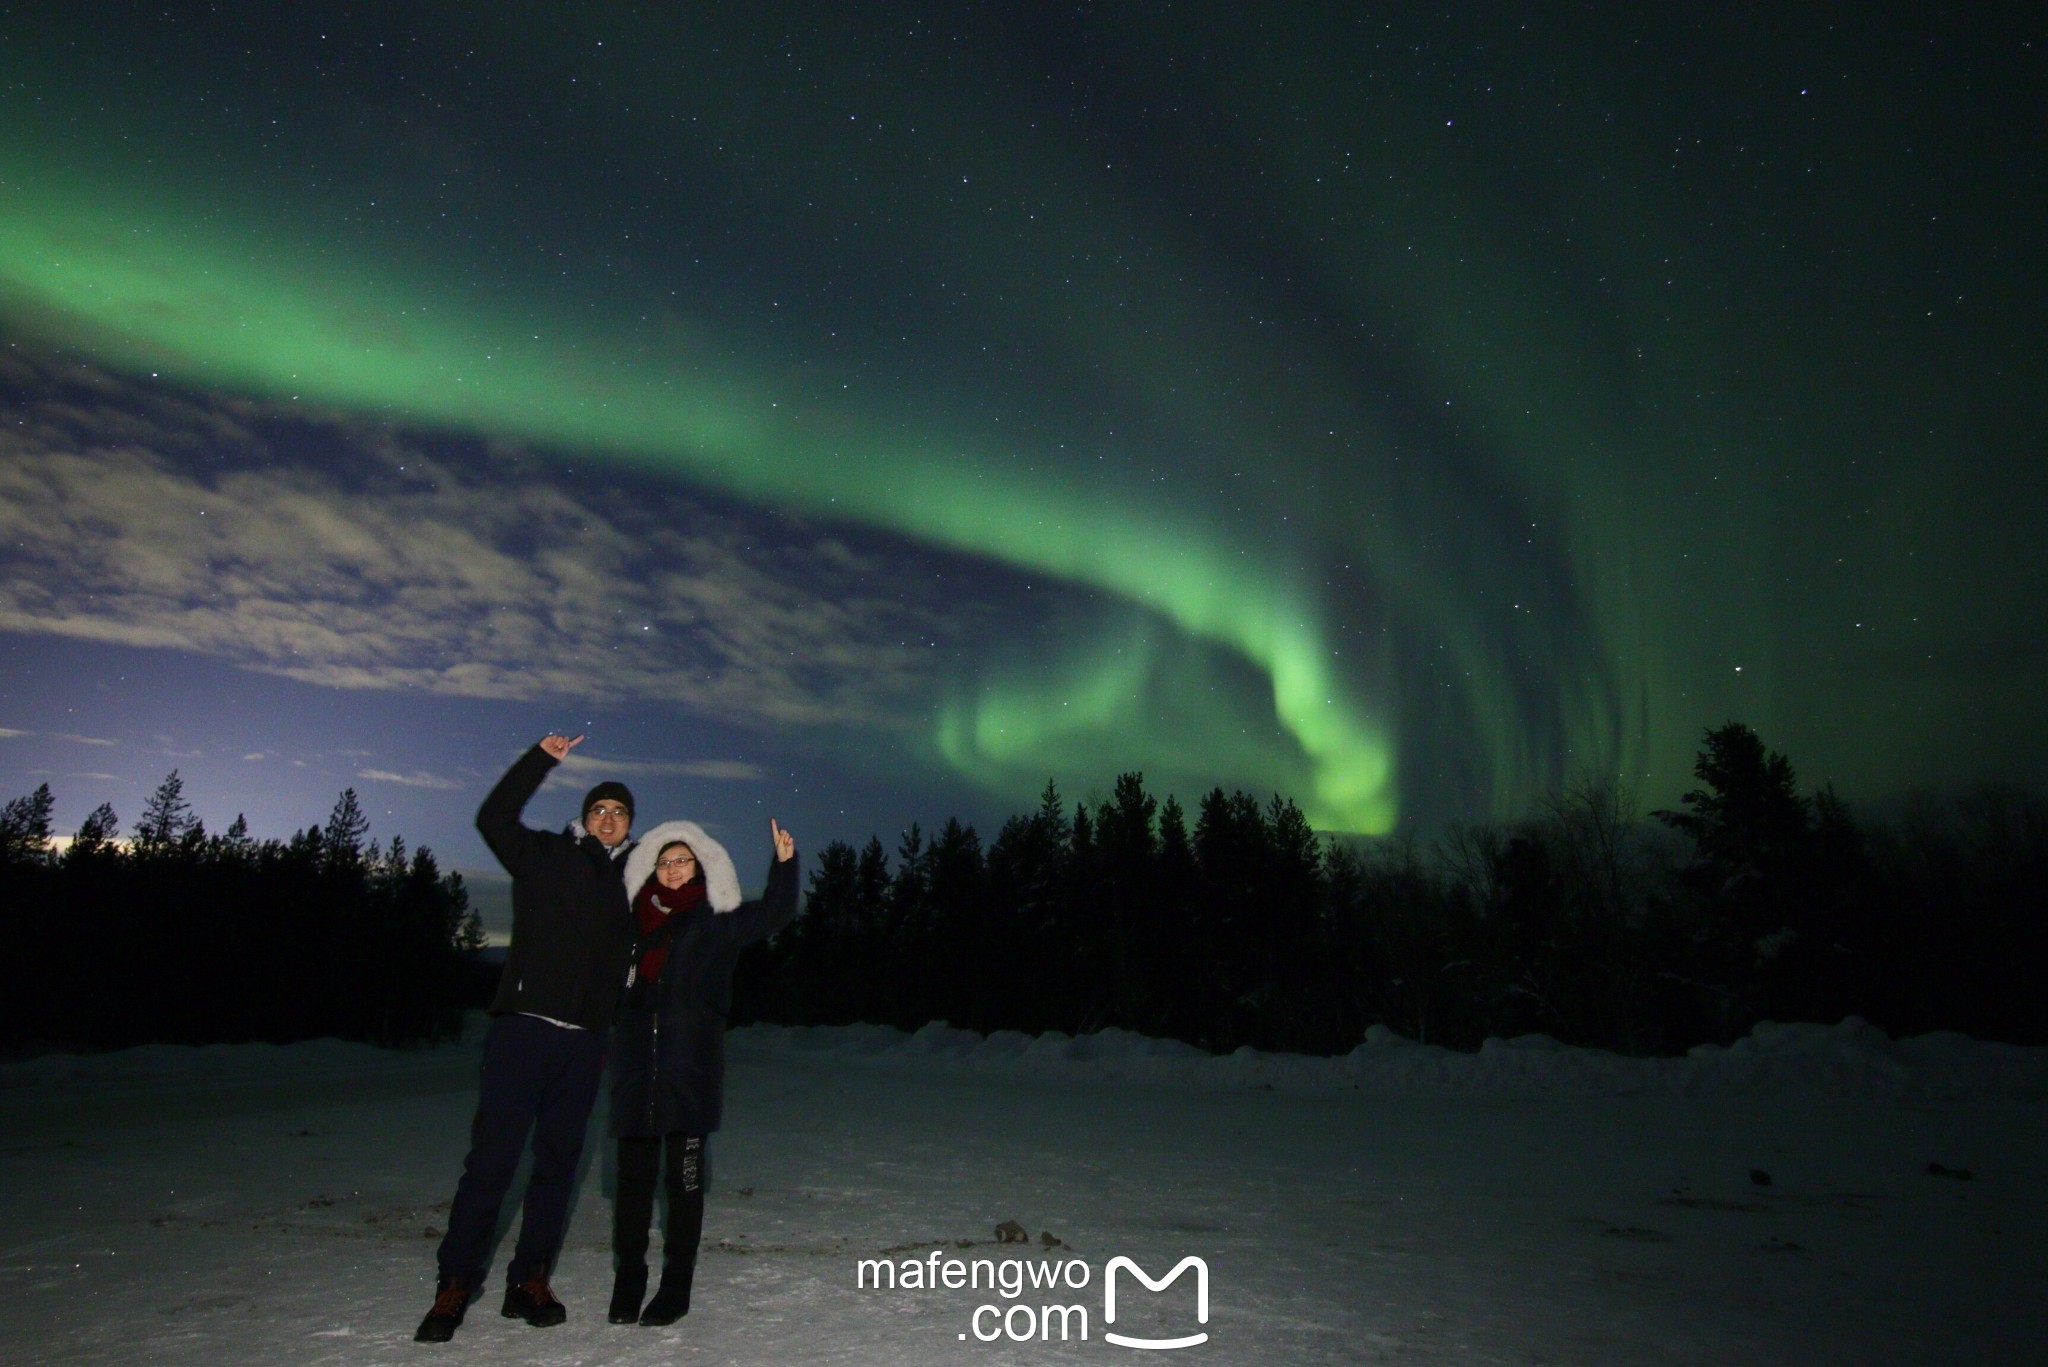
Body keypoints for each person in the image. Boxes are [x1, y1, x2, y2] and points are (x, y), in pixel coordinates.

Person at [415, 734, 638, 1343]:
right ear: (584, 818)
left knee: (559, 1166)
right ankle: (454, 1286)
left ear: (629, 825)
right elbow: (492, 817)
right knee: (492, 1162)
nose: (610, 819)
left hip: (586, 1042)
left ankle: (529, 1281)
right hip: (524, 1032)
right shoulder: (543, 854)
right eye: (600, 810)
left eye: (620, 813)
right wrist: (542, 759)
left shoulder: (637, 879)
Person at [606, 815, 799, 1326]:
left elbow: (776, 913)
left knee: (684, 1184)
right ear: (651, 866)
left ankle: (676, 1286)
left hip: (688, 1074)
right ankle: (629, 1281)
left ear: (700, 865)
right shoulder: (630, 922)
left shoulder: (717, 919)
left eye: (683, 860)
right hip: (633, 1073)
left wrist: (784, 865)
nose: (672, 870)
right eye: (665, 861)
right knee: (631, 1184)